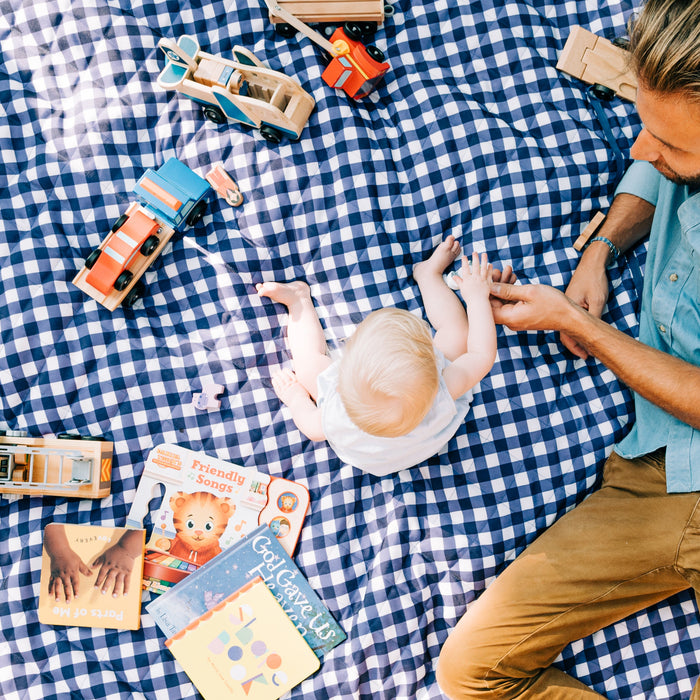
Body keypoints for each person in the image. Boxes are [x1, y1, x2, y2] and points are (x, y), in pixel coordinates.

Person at [436, 0, 700, 697]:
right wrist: (603, 249)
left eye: (672, 149)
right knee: (471, 673)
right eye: (647, 126)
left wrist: (582, 328)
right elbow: (658, 155)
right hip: (655, 468)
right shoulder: (675, 135)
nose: (641, 153)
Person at [257, 236, 509, 477]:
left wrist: (296, 397)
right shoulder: (443, 390)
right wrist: (477, 298)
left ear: (344, 371)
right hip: (429, 439)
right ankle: (428, 276)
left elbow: (312, 429)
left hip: (375, 458)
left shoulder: (338, 412)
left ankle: (298, 302)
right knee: (457, 332)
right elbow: (481, 353)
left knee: (309, 361)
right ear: (433, 366)